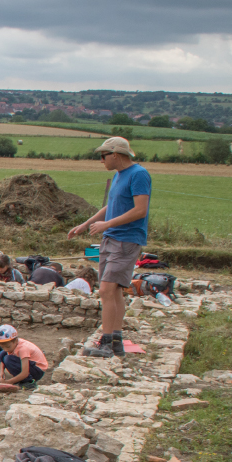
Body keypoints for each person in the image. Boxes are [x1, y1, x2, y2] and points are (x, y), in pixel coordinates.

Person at [69, 137, 151, 358]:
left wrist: (108, 224)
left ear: (115, 154)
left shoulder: (139, 174)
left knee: (106, 290)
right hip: (111, 238)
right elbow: (111, 205)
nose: (101, 160)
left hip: (126, 239)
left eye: (103, 155)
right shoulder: (119, 176)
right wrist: (86, 224)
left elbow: (140, 210)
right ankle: (115, 342)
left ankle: (105, 343)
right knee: (114, 292)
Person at [0, 325, 51, 389]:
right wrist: (1, 373)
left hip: (37, 370)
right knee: (2, 353)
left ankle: (29, 382)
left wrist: (8, 382)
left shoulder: (23, 349)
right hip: (30, 366)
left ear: (15, 341)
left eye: (8, 347)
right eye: (3, 347)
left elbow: (25, 373)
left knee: (8, 359)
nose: (6, 349)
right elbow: (3, 357)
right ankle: (21, 380)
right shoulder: (13, 345)